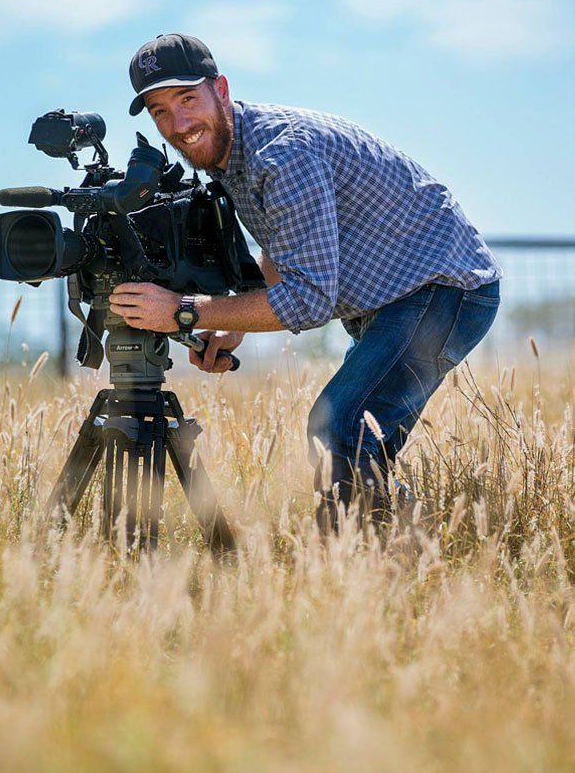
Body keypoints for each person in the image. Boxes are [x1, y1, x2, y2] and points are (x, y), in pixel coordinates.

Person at [109, 33, 502, 531]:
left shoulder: (282, 154)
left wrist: (185, 310)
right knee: (355, 439)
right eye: (160, 111)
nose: (179, 124)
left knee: (339, 427)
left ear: (221, 90)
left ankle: (369, 572)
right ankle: (407, 545)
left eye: (188, 99)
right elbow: (286, 245)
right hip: (393, 295)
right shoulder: (231, 154)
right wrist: (236, 324)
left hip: (444, 286)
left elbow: (310, 299)